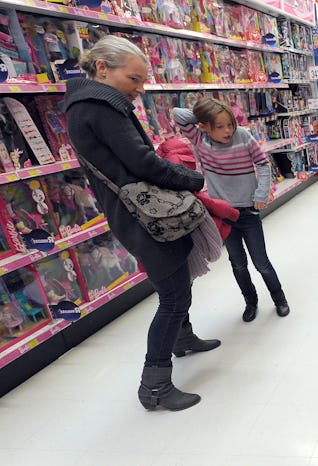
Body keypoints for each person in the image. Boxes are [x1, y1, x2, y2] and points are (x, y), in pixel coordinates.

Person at [62, 35, 220, 412]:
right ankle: (155, 386)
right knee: (173, 295)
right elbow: (142, 162)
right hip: (141, 214)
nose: (140, 88)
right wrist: (194, 180)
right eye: (133, 79)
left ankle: (182, 339)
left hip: (138, 210)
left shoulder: (94, 103)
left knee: (179, 279)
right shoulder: (99, 107)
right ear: (103, 68)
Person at [173, 97, 290, 322]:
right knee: (237, 263)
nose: (227, 130)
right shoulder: (200, 139)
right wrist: (205, 114)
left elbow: (263, 164)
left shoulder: (243, 136)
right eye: (220, 126)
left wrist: (261, 194)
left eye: (230, 124)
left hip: (248, 212)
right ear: (205, 126)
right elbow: (178, 114)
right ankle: (250, 302)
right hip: (223, 215)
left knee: (261, 262)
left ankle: (279, 298)